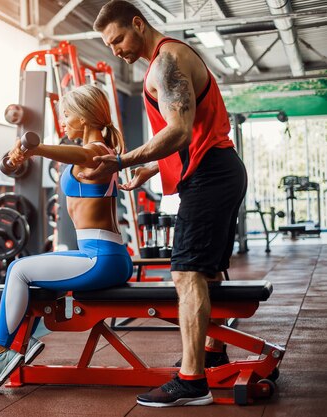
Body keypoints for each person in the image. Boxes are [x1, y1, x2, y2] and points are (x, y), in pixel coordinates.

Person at [84, 0, 248, 407]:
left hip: (211, 175)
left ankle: (192, 382)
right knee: (206, 271)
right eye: (109, 44)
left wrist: (123, 160)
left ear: (138, 24)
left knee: (186, 273)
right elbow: (189, 138)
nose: (116, 49)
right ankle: (210, 353)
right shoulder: (163, 62)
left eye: (119, 38)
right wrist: (151, 171)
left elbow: (178, 132)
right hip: (215, 170)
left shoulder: (168, 61)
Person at [0, 84, 134, 394]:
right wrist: (26, 154)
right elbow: (72, 154)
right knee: (34, 273)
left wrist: (35, 148)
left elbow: (84, 155)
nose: (63, 121)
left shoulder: (98, 152)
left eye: (66, 114)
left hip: (100, 258)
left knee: (18, 270)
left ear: (85, 116)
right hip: (105, 255)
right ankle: (22, 343)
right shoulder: (93, 151)